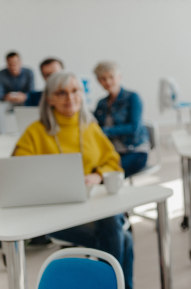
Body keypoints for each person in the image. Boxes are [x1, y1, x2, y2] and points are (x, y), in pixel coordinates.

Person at [12, 71, 134, 289]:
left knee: (113, 224)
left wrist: (98, 175)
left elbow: (112, 162)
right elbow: (18, 173)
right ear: (50, 99)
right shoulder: (36, 132)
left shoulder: (90, 127)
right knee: (123, 238)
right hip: (53, 215)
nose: (70, 98)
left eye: (75, 91)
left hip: (89, 208)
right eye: (62, 93)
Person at [93, 61, 149, 178]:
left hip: (134, 151)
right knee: (91, 169)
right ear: (99, 81)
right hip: (112, 153)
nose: (107, 82)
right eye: (103, 78)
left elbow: (134, 127)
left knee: (106, 175)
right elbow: (95, 128)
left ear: (119, 77)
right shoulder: (101, 103)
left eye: (111, 77)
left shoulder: (132, 97)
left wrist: (106, 131)